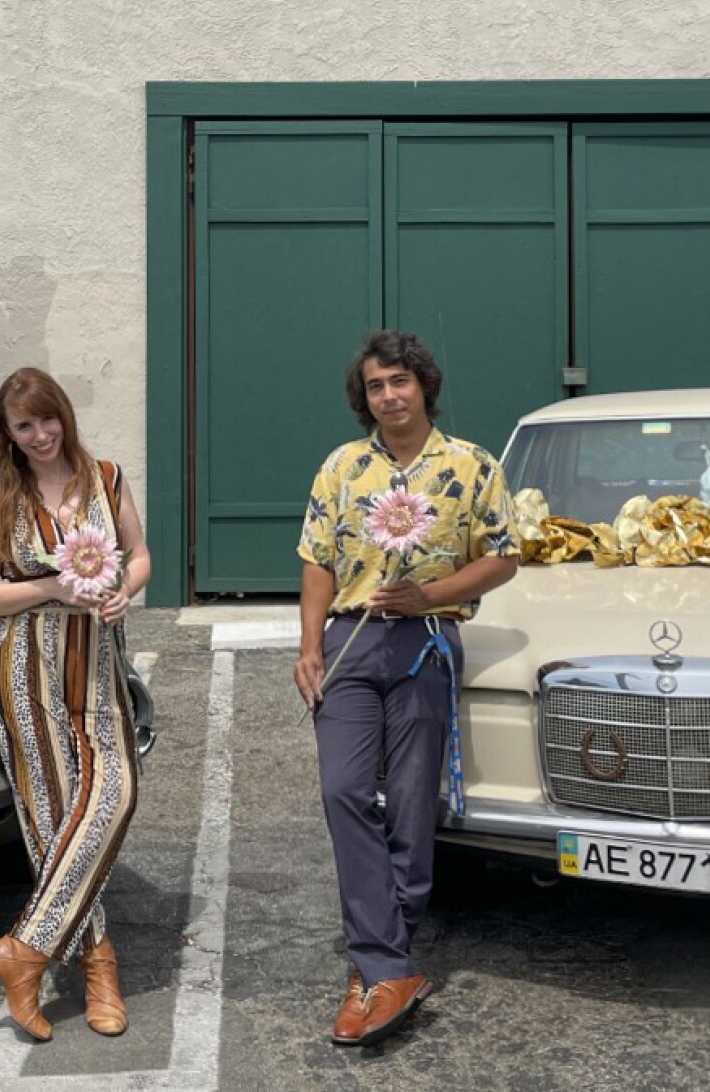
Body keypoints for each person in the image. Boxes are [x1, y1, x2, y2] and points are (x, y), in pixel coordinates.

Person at [293, 330, 519, 1048]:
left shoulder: (472, 466)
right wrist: (308, 646)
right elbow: (318, 559)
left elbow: (503, 559)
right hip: (351, 640)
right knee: (344, 790)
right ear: (364, 399)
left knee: (415, 801)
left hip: (424, 642)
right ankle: (388, 962)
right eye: (375, 387)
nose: (388, 396)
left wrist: (432, 596)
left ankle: (378, 964)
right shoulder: (342, 467)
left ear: (423, 385)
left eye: (399, 381)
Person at [0, 366, 149, 1042]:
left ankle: (24, 951)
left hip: (98, 666)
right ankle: (99, 966)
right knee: (53, 821)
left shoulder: (107, 476)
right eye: (23, 426)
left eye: (47, 420)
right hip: (24, 668)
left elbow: (140, 554)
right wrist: (54, 590)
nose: (39, 435)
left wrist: (125, 587)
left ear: (64, 416)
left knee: (115, 794)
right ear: (7, 434)